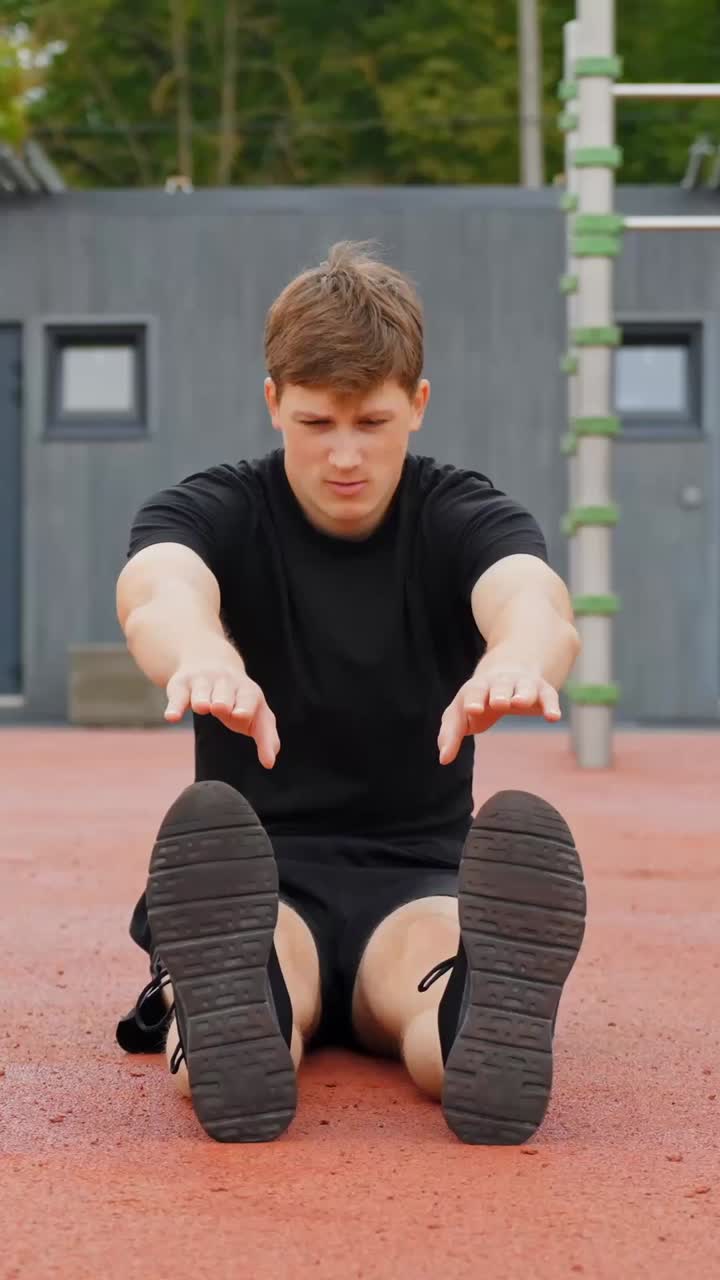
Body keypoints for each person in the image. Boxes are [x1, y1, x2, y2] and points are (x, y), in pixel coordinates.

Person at [115, 241, 586, 1146]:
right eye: (315, 421)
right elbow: (157, 591)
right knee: (258, 980)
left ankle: (475, 1021)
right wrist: (202, 654)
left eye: (371, 422)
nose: (343, 455)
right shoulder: (214, 508)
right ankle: (236, 1010)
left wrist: (516, 659)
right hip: (248, 875)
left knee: (435, 1000)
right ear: (273, 403)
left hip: (418, 872)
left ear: (418, 403)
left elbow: (534, 599)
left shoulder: (462, 514)